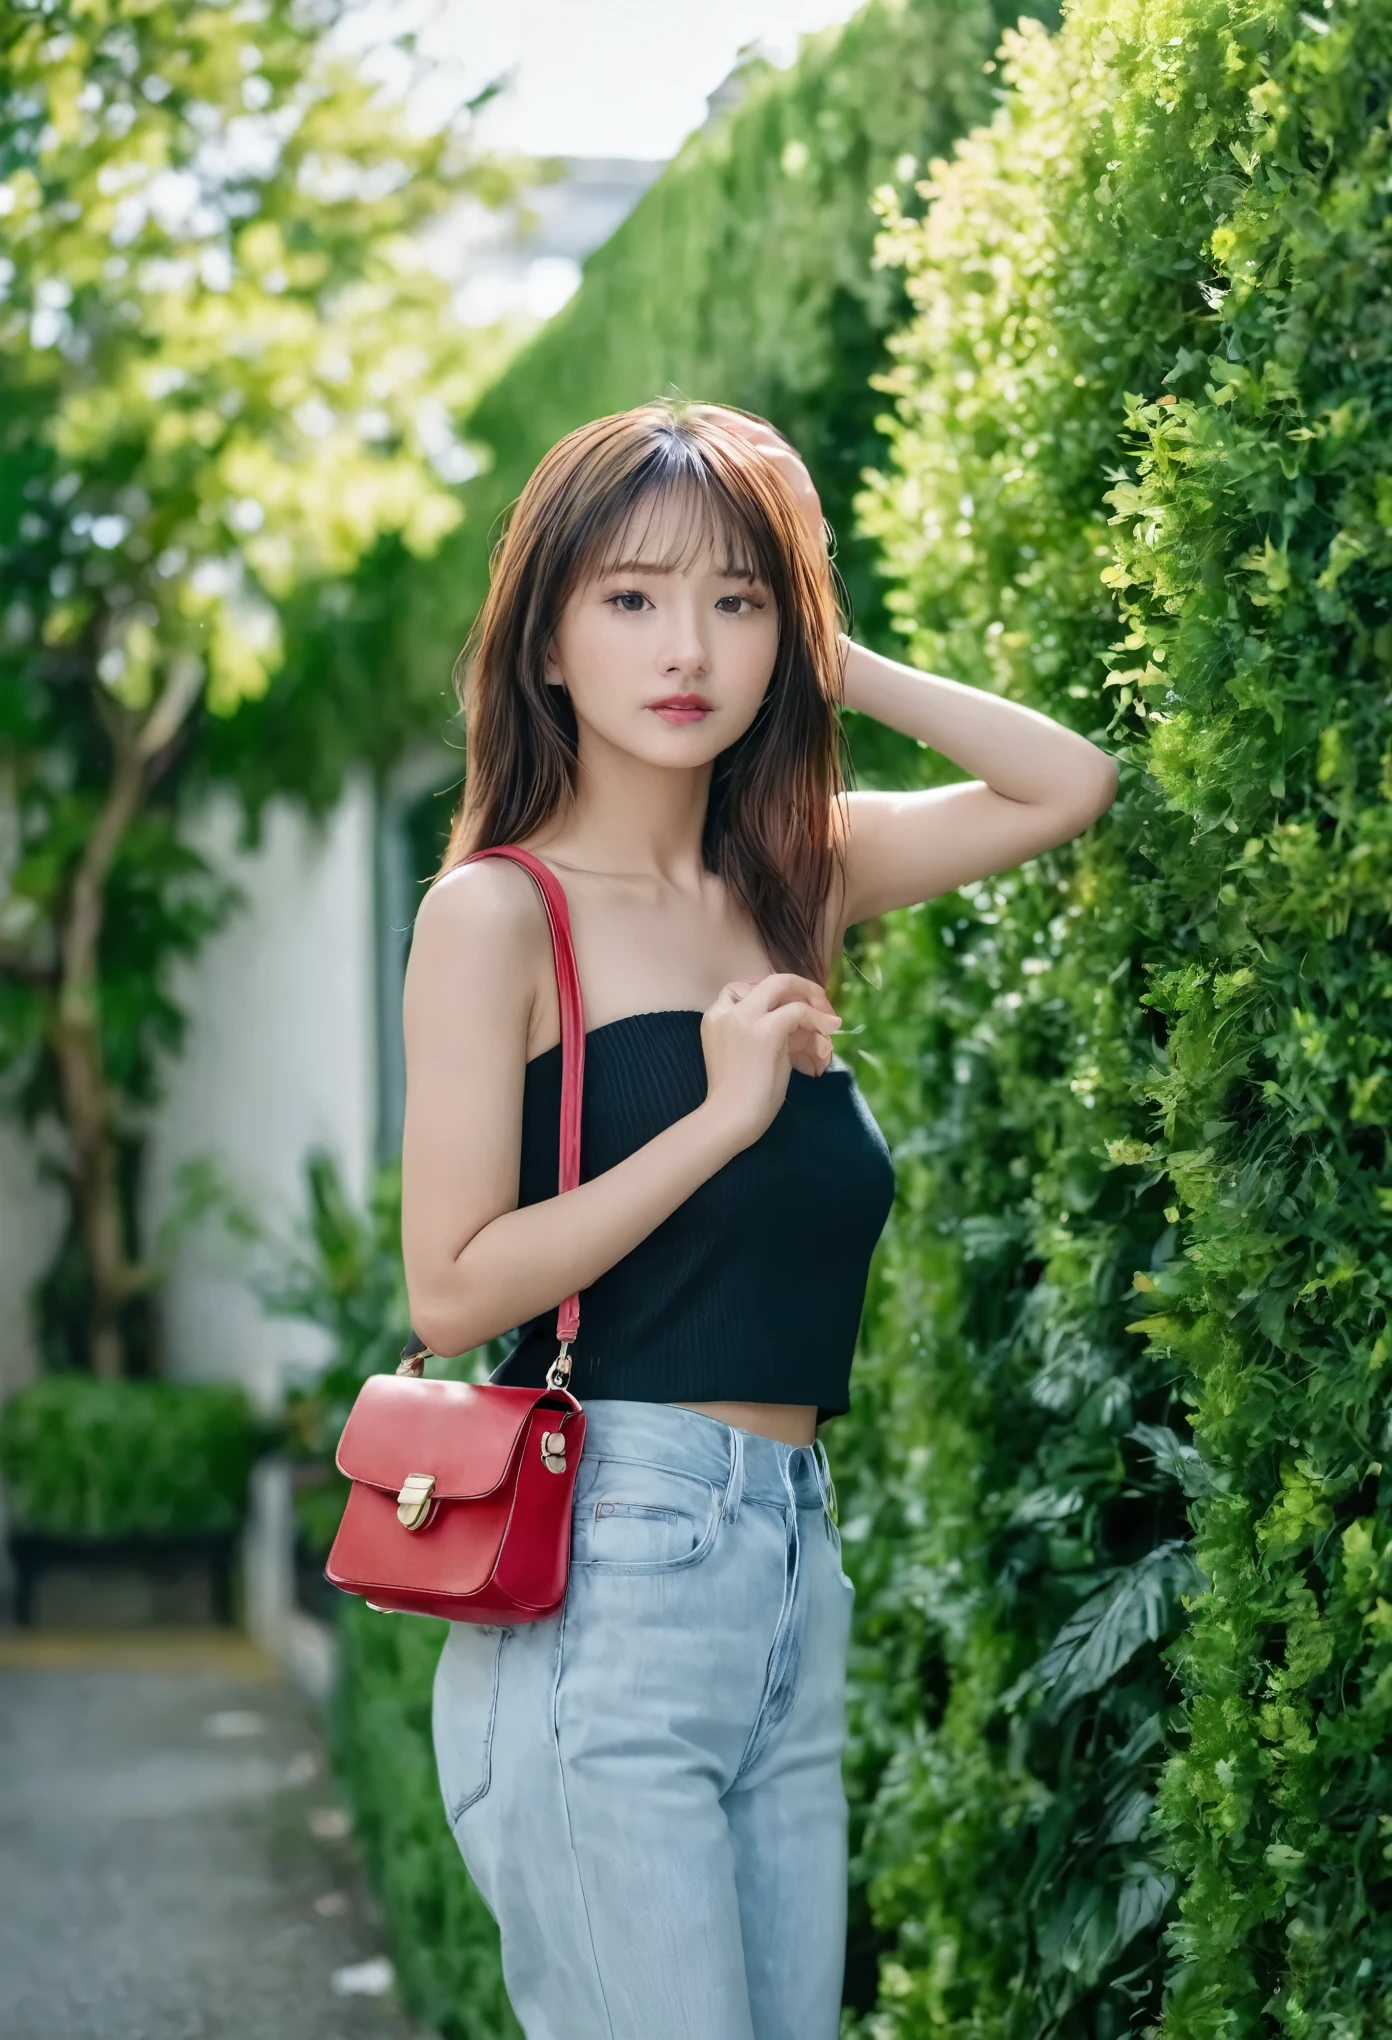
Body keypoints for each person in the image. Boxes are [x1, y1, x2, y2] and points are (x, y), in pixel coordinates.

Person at [400, 401, 1117, 2040]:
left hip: (792, 1555)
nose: (688, 647)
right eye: (633, 598)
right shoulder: (497, 913)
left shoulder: (791, 874)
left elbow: (1068, 779)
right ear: (548, 641)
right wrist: (720, 1120)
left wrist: (832, 647)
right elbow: (450, 1290)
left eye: (735, 601)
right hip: (610, 1562)